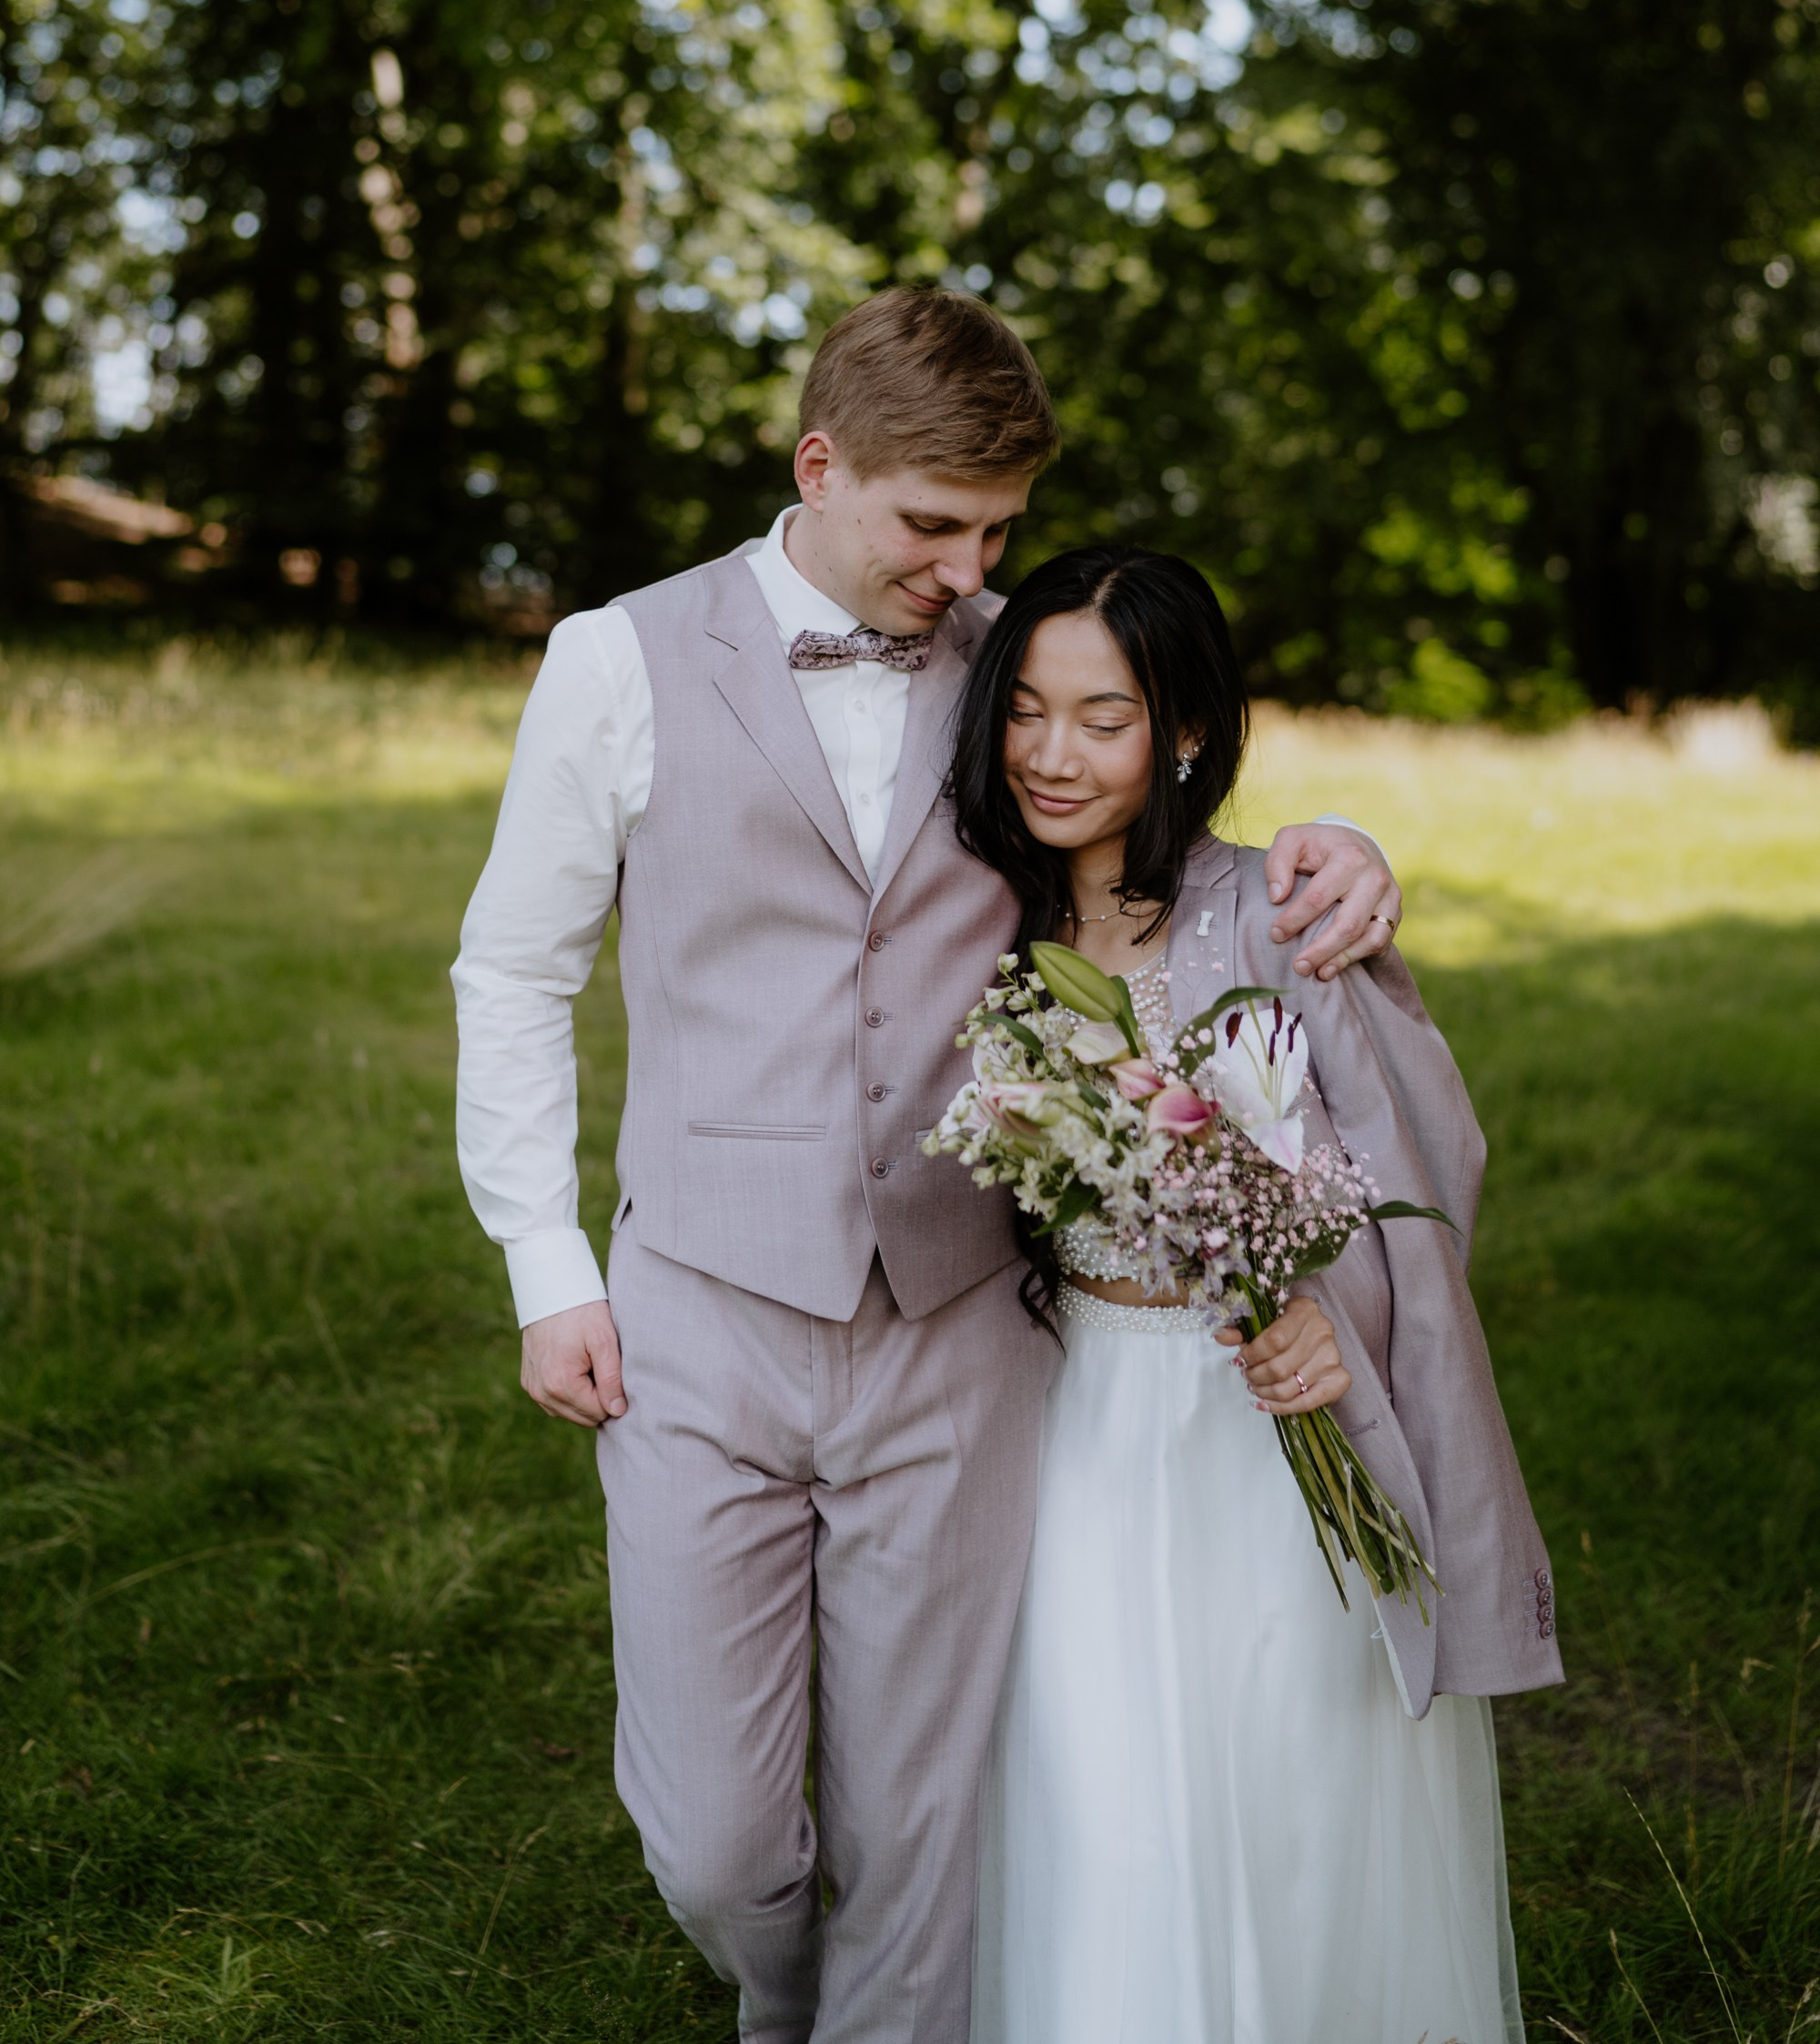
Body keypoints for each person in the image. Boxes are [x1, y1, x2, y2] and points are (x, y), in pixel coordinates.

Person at [452, 289, 1404, 2044]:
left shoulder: (1005, 664)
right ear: (820, 467)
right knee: (723, 1847)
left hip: (961, 1321)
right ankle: (782, 2004)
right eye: (936, 526)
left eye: (999, 534)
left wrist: (1344, 841)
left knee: (923, 1833)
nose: (969, 573)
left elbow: (1161, 806)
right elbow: (514, 974)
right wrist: (546, 1265)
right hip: (698, 1317)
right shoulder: (615, 659)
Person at [949, 544, 1562, 2044]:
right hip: (1075, 1414)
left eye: (1103, 718)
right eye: (1024, 710)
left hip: (1261, 1425)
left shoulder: (1273, 920)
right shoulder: (985, 917)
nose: (1051, 754)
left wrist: (1319, 1316)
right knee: (1098, 1788)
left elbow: (1401, 1166)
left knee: (1286, 1777)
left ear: (1185, 732)